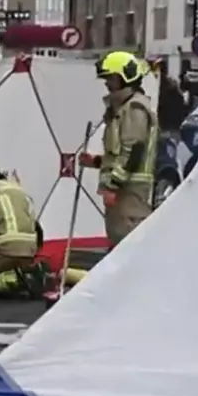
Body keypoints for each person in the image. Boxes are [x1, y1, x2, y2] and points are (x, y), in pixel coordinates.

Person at [79, 51, 157, 248]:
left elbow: (134, 150)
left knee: (128, 243)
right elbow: (119, 153)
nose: (107, 84)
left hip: (130, 191)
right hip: (125, 189)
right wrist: (97, 161)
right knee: (118, 239)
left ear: (125, 78)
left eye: (111, 78)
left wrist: (113, 186)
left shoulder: (134, 108)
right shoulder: (123, 108)